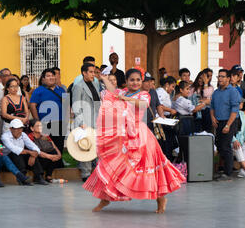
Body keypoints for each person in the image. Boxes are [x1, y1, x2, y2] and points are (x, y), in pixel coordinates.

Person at [83, 69, 186, 213]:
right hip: (123, 135)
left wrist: (124, 99)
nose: (135, 82)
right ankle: (104, 199)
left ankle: (161, 199)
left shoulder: (144, 94)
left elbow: (142, 105)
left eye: (138, 80)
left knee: (149, 169)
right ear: (126, 81)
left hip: (141, 137)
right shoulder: (123, 92)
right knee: (112, 167)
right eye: (132, 80)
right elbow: (113, 92)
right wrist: (105, 79)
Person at [30, 68, 66, 167]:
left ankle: (58, 164)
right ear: (44, 78)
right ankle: (47, 166)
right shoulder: (38, 90)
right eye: (48, 76)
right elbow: (32, 105)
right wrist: (37, 121)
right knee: (46, 145)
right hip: (45, 122)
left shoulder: (61, 89)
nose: (51, 78)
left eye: (52, 75)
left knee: (59, 144)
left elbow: (67, 105)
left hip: (60, 122)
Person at [72, 63, 101, 181]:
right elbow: (76, 105)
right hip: (85, 121)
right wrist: (81, 122)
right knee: (86, 147)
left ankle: (98, 172)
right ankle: (86, 174)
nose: (93, 74)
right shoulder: (78, 86)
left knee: (97, 147)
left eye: (94, 72)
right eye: (91, 72)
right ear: (84, 73)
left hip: (96, 120)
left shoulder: (95, 84)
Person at [210, 69, 241, 180]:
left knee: (226, 146)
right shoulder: (216, 92)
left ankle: (228, 174)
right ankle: (223, 169)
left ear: (228, 78)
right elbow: (212, 107)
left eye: (223, 76)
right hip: (219, 122)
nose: (220, 79)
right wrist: (213, 117)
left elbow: (234, 110)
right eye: (219, 76)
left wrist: (228, 125)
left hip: (230, 121)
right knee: (220, 146)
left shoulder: (233, 91)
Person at [2, 119, 49, 185]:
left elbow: (34, 146)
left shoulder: (23, 134)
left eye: (21, 128)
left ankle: (38, 177)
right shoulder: (5, 136)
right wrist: (30, 152)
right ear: (10, 129)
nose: (19, 131)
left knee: (31, 154)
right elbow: (14, 149)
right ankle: (22, 178)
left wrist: (33, 155)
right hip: (7, 161)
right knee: (16, 154)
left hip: (20, 159)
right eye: (17, 129)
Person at [0, 68, 20, 138]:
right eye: (6, 75)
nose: (9, 77)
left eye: (10, 75)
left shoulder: (18, 88)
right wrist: (1, 115)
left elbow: (20, 100)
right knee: (2, 136)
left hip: (16, 116)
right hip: (1, 117)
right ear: (1, 77)